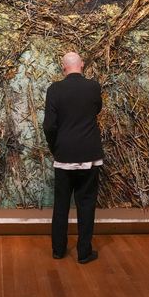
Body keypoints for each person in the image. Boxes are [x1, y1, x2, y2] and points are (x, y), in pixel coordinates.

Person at [42, 51, 103, 264]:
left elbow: (49, 126)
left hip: (64, 155)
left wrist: (55, 147)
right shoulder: (93, 87)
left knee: (61, 205)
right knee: (86, 204)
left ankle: (58, 250)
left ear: (63, 68)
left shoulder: (54, 89)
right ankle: (84, 253)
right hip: (89, 154)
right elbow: (97, 110)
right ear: (82, 65)